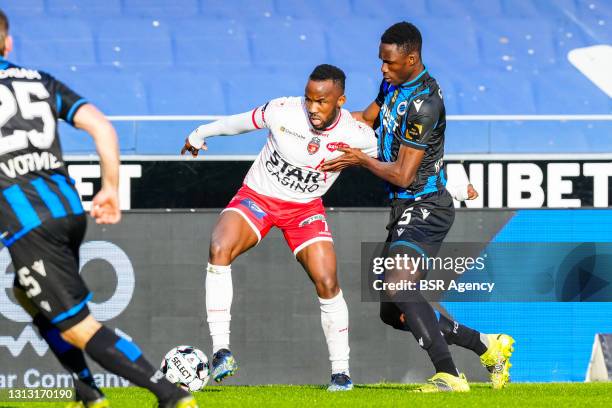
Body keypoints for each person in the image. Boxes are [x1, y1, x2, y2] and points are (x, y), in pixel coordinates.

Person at [0, 10, 196, 408]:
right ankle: (87, 393)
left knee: (77, 326)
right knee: (26, 294)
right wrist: (110, 187)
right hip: (68, 210)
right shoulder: (38, 80)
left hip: (29, 222)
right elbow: (101, 126)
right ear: (7, 43)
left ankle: (172, 396)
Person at [321, 22, 514, 392]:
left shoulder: (426, 103)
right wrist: (321, 124)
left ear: (411, 58)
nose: (382, 68)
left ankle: (450, 376)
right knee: (393, 312)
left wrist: (360, 160)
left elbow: (404, 175)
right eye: (381, 61)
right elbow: (367, 118)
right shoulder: (393, 83)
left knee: (398, 283)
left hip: (426, 204)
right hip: (403, 208)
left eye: (389, 62)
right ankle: (488, 345)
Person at [181, 64, 377, 391]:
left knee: (327, 281)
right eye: (309, 99)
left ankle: (341, 374)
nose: (312, 108)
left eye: (321, 102)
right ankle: (221, 352)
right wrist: (199, 133)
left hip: (304, 211)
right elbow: (239, 123)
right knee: (219, 248)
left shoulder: (358, 138)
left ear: (340, 101)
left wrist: (361, 160)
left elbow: (408, 161)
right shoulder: (283, 110)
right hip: (258, 198)